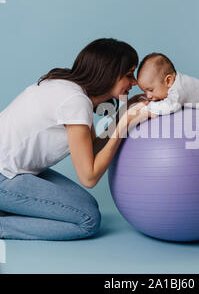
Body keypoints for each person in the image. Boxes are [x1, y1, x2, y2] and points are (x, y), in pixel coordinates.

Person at [0, 38, 154, 240]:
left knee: (88, 206)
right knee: (87, 220)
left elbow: (92, 148)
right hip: (4, 176)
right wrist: (125, 124)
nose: (134, 82)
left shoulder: (70, 88)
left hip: (15, 170)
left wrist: (124, 113)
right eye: (128, 75)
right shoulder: (76, 102)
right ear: (108, 73)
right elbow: (89, 178)